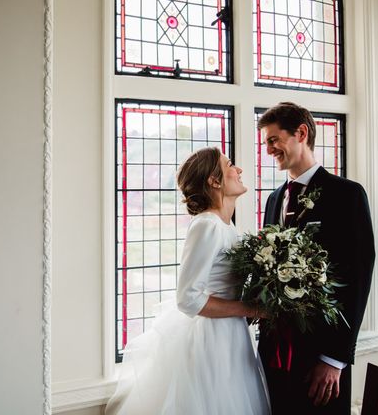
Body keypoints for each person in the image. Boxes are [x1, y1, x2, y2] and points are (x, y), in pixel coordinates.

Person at [105, 146, 270, 415]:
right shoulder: (208, 225)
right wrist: (249, 309)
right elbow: (188, 299)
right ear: (214, 181)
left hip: (232, 334)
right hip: (212, 339)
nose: (238, 170)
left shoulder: (228, 226)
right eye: (230, 165)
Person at [258, 102, 375, 415]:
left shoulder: (347, 194)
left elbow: (358, 278)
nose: (268, 149)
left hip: (321, 355)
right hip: (274, 353)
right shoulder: (273, 200)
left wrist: (335, 358)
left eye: (272, 139)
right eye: (265, 142)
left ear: (301, 133)